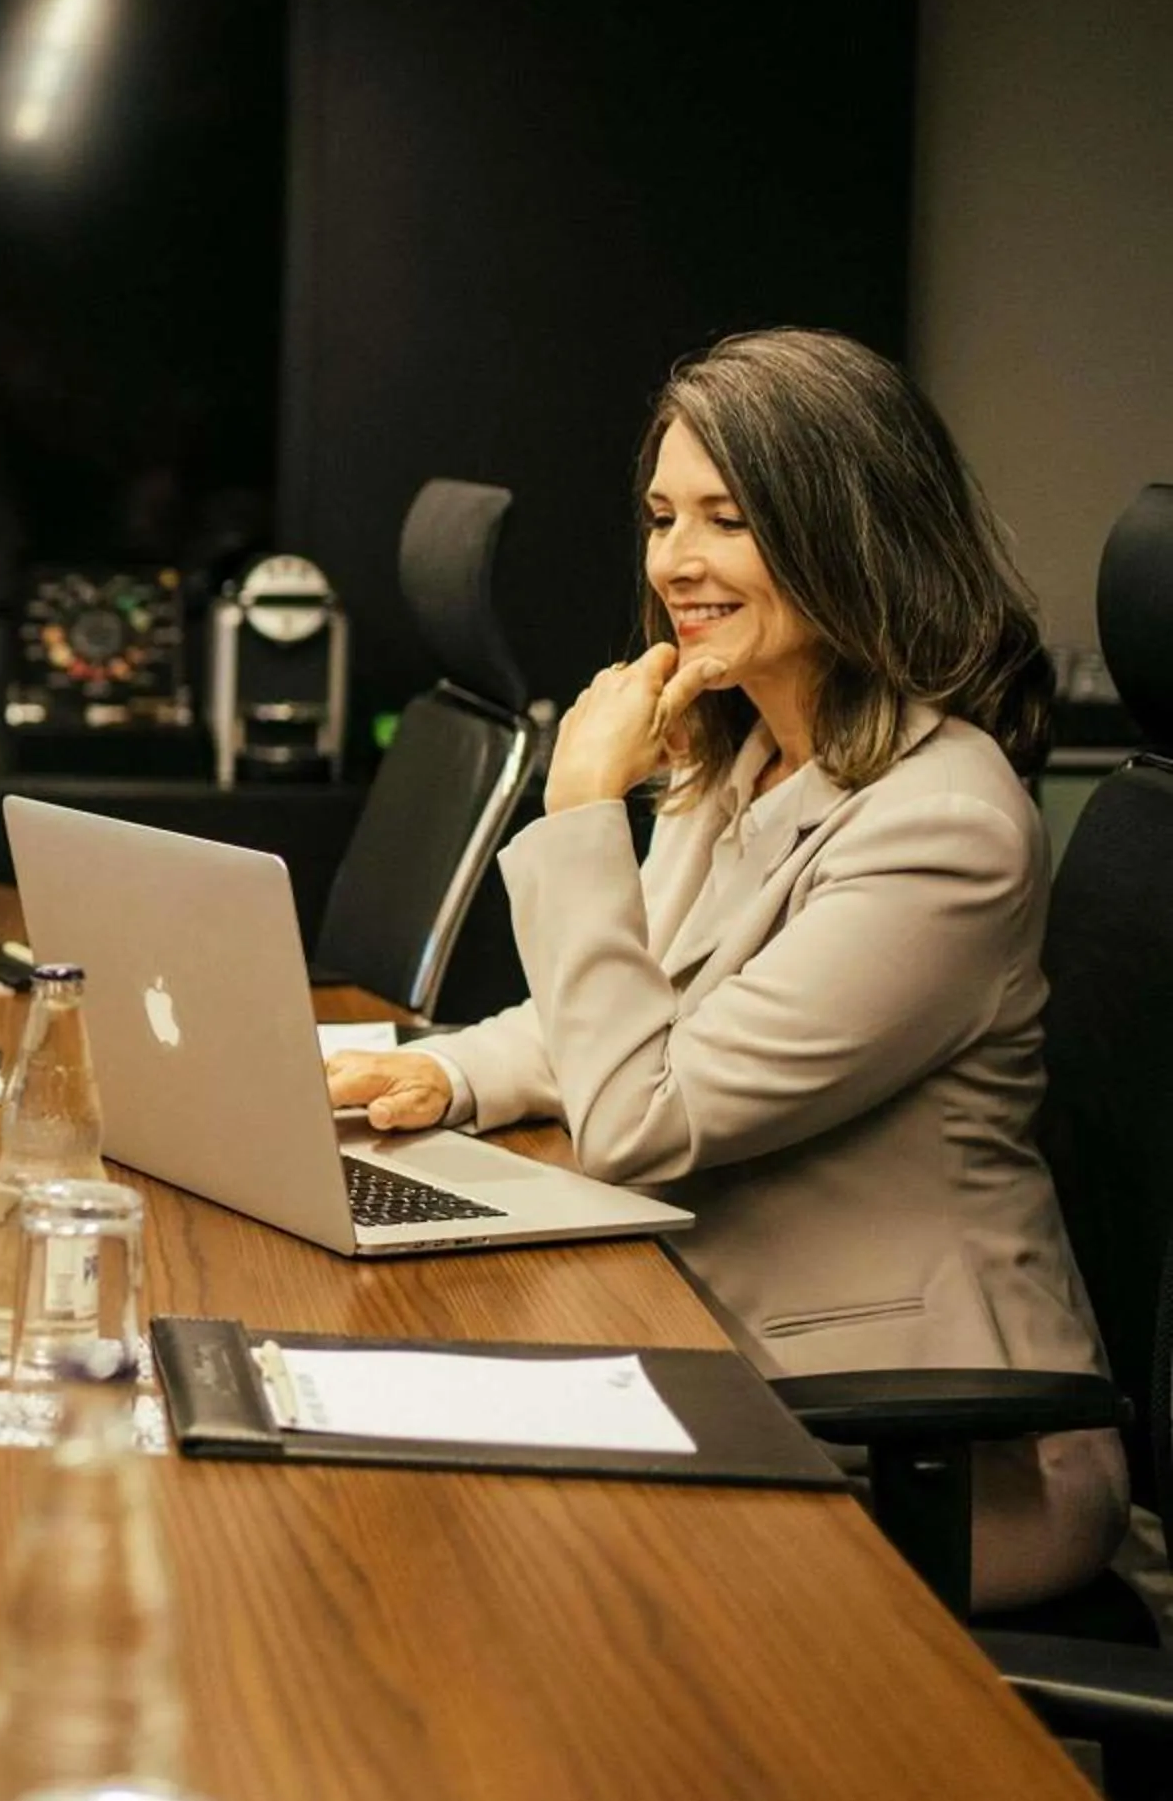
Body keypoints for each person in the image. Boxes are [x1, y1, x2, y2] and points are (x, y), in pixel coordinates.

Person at [327, 328, 1120, 1608]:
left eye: (728, 520)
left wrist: (580, 807)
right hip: (711, 1344)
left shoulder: (944, 827)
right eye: (660, 518)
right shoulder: (742, 755)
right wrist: (438, 1076)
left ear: (850, 535)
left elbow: (642, 1114)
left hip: (922, 1440)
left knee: (433, 1553)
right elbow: (633, 1011)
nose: (675, 564)